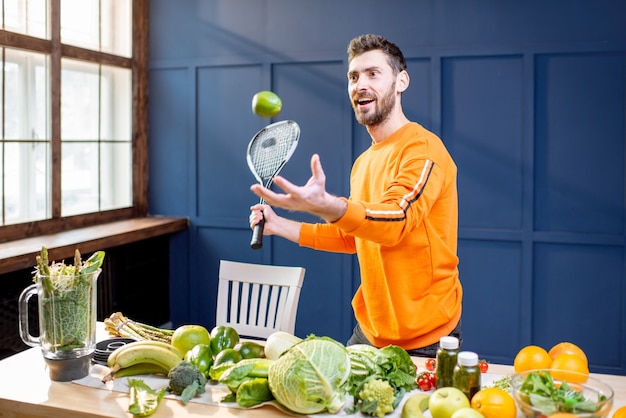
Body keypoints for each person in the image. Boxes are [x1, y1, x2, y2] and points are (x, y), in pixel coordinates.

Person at [249, 34, 462, 357]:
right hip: (369, 333)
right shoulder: (364, 162)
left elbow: (396, 221)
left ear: (401, 81)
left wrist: (332, 206)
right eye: (353, 76)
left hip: (426, 339)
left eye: (373, 74)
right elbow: (355, 236)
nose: (360, 84)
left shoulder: (423, 150)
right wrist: (280, 226)